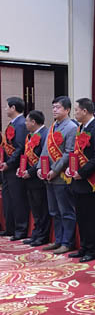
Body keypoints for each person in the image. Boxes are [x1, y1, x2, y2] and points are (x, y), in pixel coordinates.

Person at [67, 98, 95, 262]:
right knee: (81, 216)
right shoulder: (81, 128)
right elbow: (77, 153)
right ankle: (84, 247)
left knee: (92, 218)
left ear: (84, 111)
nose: (75, 113)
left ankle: (93, 249)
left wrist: (82, 172)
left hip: (90, 180)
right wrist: (71, 168)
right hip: (78, 180)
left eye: (76, 110)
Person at [38, 96, 77, 254]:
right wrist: (40, 167)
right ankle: (58, 240)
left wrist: (54, 170)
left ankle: (67, 242)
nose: (54, 110)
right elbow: (45, 150)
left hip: (61, 177)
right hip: (48, 176)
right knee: (54, 211)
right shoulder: (53, 126)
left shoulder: (71, 127)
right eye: (53, 107)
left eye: (58, 107)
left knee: (66, 211)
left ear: (67, 110)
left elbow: (69, 153)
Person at [0, 96, 30, 240]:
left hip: (15, 168)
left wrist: (9, 163)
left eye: (7, 106)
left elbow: (20, 148)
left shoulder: (21, 124)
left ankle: (20, 230)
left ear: (13, 108)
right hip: (7, 168)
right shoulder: (12, 124)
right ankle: (10, 228)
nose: (5, 109)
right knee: (8, 199)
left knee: (18, 200)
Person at [20, 110, 50, 246]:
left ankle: (43, 236)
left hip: (38, 178)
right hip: (29, 178)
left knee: (42, 209)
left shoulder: (45, 134)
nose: (25, 123)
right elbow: (26, 155)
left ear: (33, 122)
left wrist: (30, 172)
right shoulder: (30, 136)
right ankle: (36, 234)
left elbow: (43, 158)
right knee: (35, 210)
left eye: (27, 121)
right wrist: (21, 169)